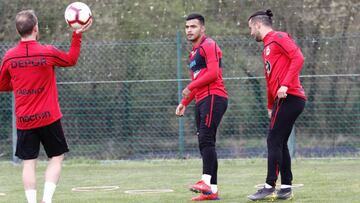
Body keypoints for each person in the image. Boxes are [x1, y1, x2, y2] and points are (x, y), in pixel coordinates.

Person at [0, 10, 92, 203]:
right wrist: (77, 34)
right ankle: (47, 200)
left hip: (25, 120)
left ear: (19, 31)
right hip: (49, 117)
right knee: (56, 157)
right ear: (36, 28)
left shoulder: (9, 57)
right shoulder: (47, 52)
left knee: (28, 163)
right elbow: (71, 59)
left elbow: (2, 84)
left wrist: (20, 84)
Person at [246, 9, 306, 201]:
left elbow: (298, 58)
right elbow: (269, 79)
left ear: (257, 24)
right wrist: (270, 103)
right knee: (280, 142)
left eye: (250, 28)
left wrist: (286, 84)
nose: (250, 33)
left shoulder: (278, 37)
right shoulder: (266, 47)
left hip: (291, 97)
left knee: (273, 140)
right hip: (282, 99)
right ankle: (286, 187)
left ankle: (269, 186)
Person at [175, 13, 228, 201]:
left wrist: (189, 87)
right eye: (187, 27)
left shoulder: (209, 45)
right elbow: (196, 82)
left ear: (202, 29)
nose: (189, 30)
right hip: (201, 100)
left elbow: (213, 73)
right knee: (205, 143)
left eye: (193, 26)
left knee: (206, 140)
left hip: (214, 96)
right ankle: (211, 191)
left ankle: (205, 181)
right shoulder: (193, 53)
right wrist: (184, 103)